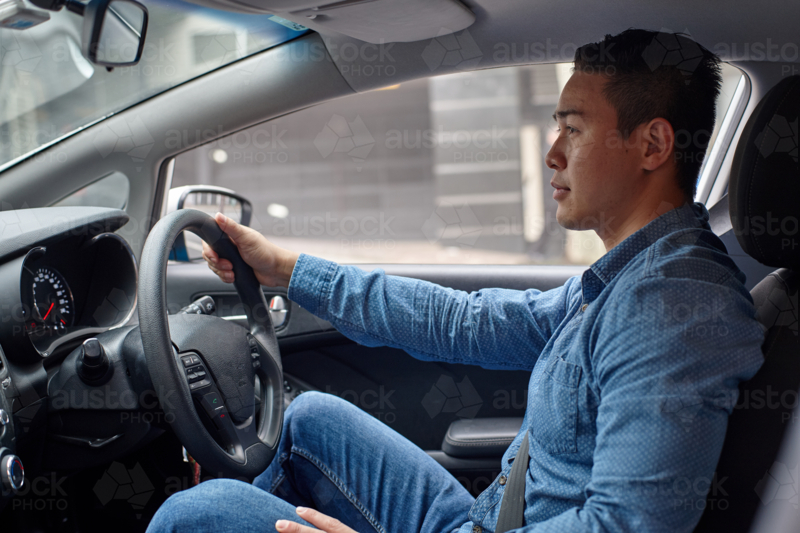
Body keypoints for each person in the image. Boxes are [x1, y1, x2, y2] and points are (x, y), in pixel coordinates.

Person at [147, 29, 765, 533]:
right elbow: (467, 322)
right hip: (487, 520)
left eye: (573, 129)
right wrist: (287, 270)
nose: (552, 153)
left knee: (193, 516)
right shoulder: (631, 275)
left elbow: (627, 526)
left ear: (653, 144)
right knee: (309, 419)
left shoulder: (673, 307)